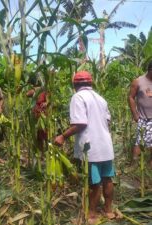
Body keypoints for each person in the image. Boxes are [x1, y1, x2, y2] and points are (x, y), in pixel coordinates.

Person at [54, 71, 115, 223]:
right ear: (90, 83)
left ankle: (92, 214)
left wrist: (62, 136)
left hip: (91, 147)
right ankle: (109, 211)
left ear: (75, 85)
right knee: (107, 179)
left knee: (94, 182)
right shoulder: (101, 99)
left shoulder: (78, 97)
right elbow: (108, 122)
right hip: (106, 144)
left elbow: (80, 123)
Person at [128, 61, 152, 166]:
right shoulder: (138, 81)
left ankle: (149, 166)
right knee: (139, 141)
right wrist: (135, 114)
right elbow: (131, 97)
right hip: (144, 117)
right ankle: (134, 165)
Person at [26, 86, 49, 153]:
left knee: (45, 133)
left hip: (44, 115)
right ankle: (40, 152)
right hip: (36, 115)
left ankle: (48, 150)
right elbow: (27, 94)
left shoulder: (47, 90)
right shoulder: (37, 90)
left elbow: (51, 101)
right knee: (38, 135)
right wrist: (35, 89)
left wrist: (46, 103)